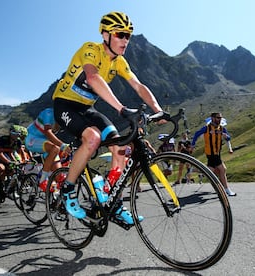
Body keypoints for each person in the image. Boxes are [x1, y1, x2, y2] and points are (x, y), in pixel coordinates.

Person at [52, 11, 166, 224]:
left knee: (121, 148)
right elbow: (93, 78)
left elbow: (139, 86)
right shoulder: (90, 49)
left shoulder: (120, 62)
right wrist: (122, 109)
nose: (125, 40)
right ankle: (67, 190)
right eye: (120, 34)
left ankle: (114, 203)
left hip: (86, 108)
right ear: (105, 35)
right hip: (65, 104)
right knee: (93, 138)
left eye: (128, 36)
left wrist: (158, 110)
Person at [190, 112, 237, 196]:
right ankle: (226, 189)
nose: (219, 119)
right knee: (223, 169)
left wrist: (226, 137)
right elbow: (196, 134)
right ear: (212, 118)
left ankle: (194, 170)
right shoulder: (207, 128)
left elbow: (228, 137)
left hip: (218, 152)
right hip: (211, 153)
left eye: (220, 118)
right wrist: (193, 145)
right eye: (218, 118)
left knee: (212, 171)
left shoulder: (222, 128)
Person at [25, 107, 70, 192]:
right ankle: (42, 180)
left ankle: (56, 200)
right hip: (32, 138)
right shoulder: (48, 112)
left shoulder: (62, 118)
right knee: (55, 148)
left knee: (60, 176)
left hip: (45, 142)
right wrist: (63, 146)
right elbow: (48, 132)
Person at [0, 125, 27, 199]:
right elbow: (0, 153)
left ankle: (8, 188)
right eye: (14, 134)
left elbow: (11, 153)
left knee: (14, 170)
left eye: (18, 134)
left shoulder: (17, 142)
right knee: (1, 168)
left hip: (5, 153)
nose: (16, 136)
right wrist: (9, 162)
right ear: (10, 133)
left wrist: (17, 161)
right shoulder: (3, 139)